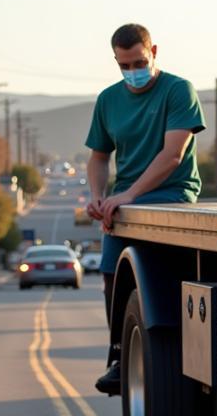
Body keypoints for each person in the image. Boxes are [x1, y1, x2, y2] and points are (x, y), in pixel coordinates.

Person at [85, 23, 206, 395]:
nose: (133, 71)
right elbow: (99, 156)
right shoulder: (108, 100)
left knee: (161, 278)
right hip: (124, 203)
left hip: (170, 196)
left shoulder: (177, 90)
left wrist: (130, 195)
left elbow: (174, 155)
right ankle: (121, 356)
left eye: (138, 61)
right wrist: (98, 195)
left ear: (154, 52)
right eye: (124, 65)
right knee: (112, 277)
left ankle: (171, 353)